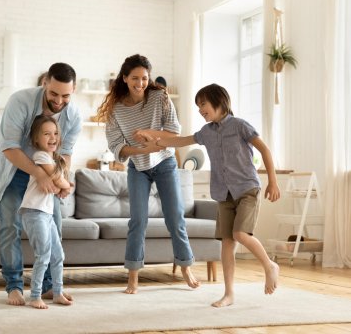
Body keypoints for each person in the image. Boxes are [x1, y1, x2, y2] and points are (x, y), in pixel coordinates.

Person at [149, 83, 280, 307]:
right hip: (224, 194)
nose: (200, 109)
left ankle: (269, 265)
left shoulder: (240, 126)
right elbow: (182, 141)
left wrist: (273, 182)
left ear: (220, 101)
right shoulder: (206, 133)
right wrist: (157, 141)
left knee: (240, 234)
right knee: (226, 244)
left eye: (203, 104)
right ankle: (229, 294)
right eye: (198, 106)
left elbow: (264, 150)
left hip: (247, 189)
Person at [96, 54, 199, 294]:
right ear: (124, 78)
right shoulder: (115, 108)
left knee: (175, 218)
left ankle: (186, 267)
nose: (140, 83)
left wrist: (150, 134)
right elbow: (116, 146)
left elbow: (174, 131)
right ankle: (133, 277)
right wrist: (144, 148)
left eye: (144, 78)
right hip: (138, 167)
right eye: (135, 78)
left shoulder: (159, 97)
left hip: (165, 163)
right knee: (137, 221)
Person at [0, 62, 82, 306]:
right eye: (53, 93)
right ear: (44, 84)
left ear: (74, 90)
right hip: (14, 169)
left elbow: (66, 153)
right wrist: (39, 174)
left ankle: (50, 286)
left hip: (49, 172)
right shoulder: (20, 101)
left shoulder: (73, 115)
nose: (59, 100)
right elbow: (10, 146)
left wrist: (62, 180)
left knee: (54, 228)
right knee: (10, 227)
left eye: (66, 95)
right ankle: (14, 286)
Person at [20, 114, 72, 309]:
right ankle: (35, 296)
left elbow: (59, 183)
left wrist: (64, 186)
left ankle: (57, 292)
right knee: (43, 255)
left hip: (46, 213)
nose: (52, 137)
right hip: (33, 212)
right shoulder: (40, 156)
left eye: (56, 133)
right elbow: (59, 181)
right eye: (46, 134)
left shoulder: (52, 159)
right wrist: (66, 186)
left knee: (58, 255)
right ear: (36, 139)